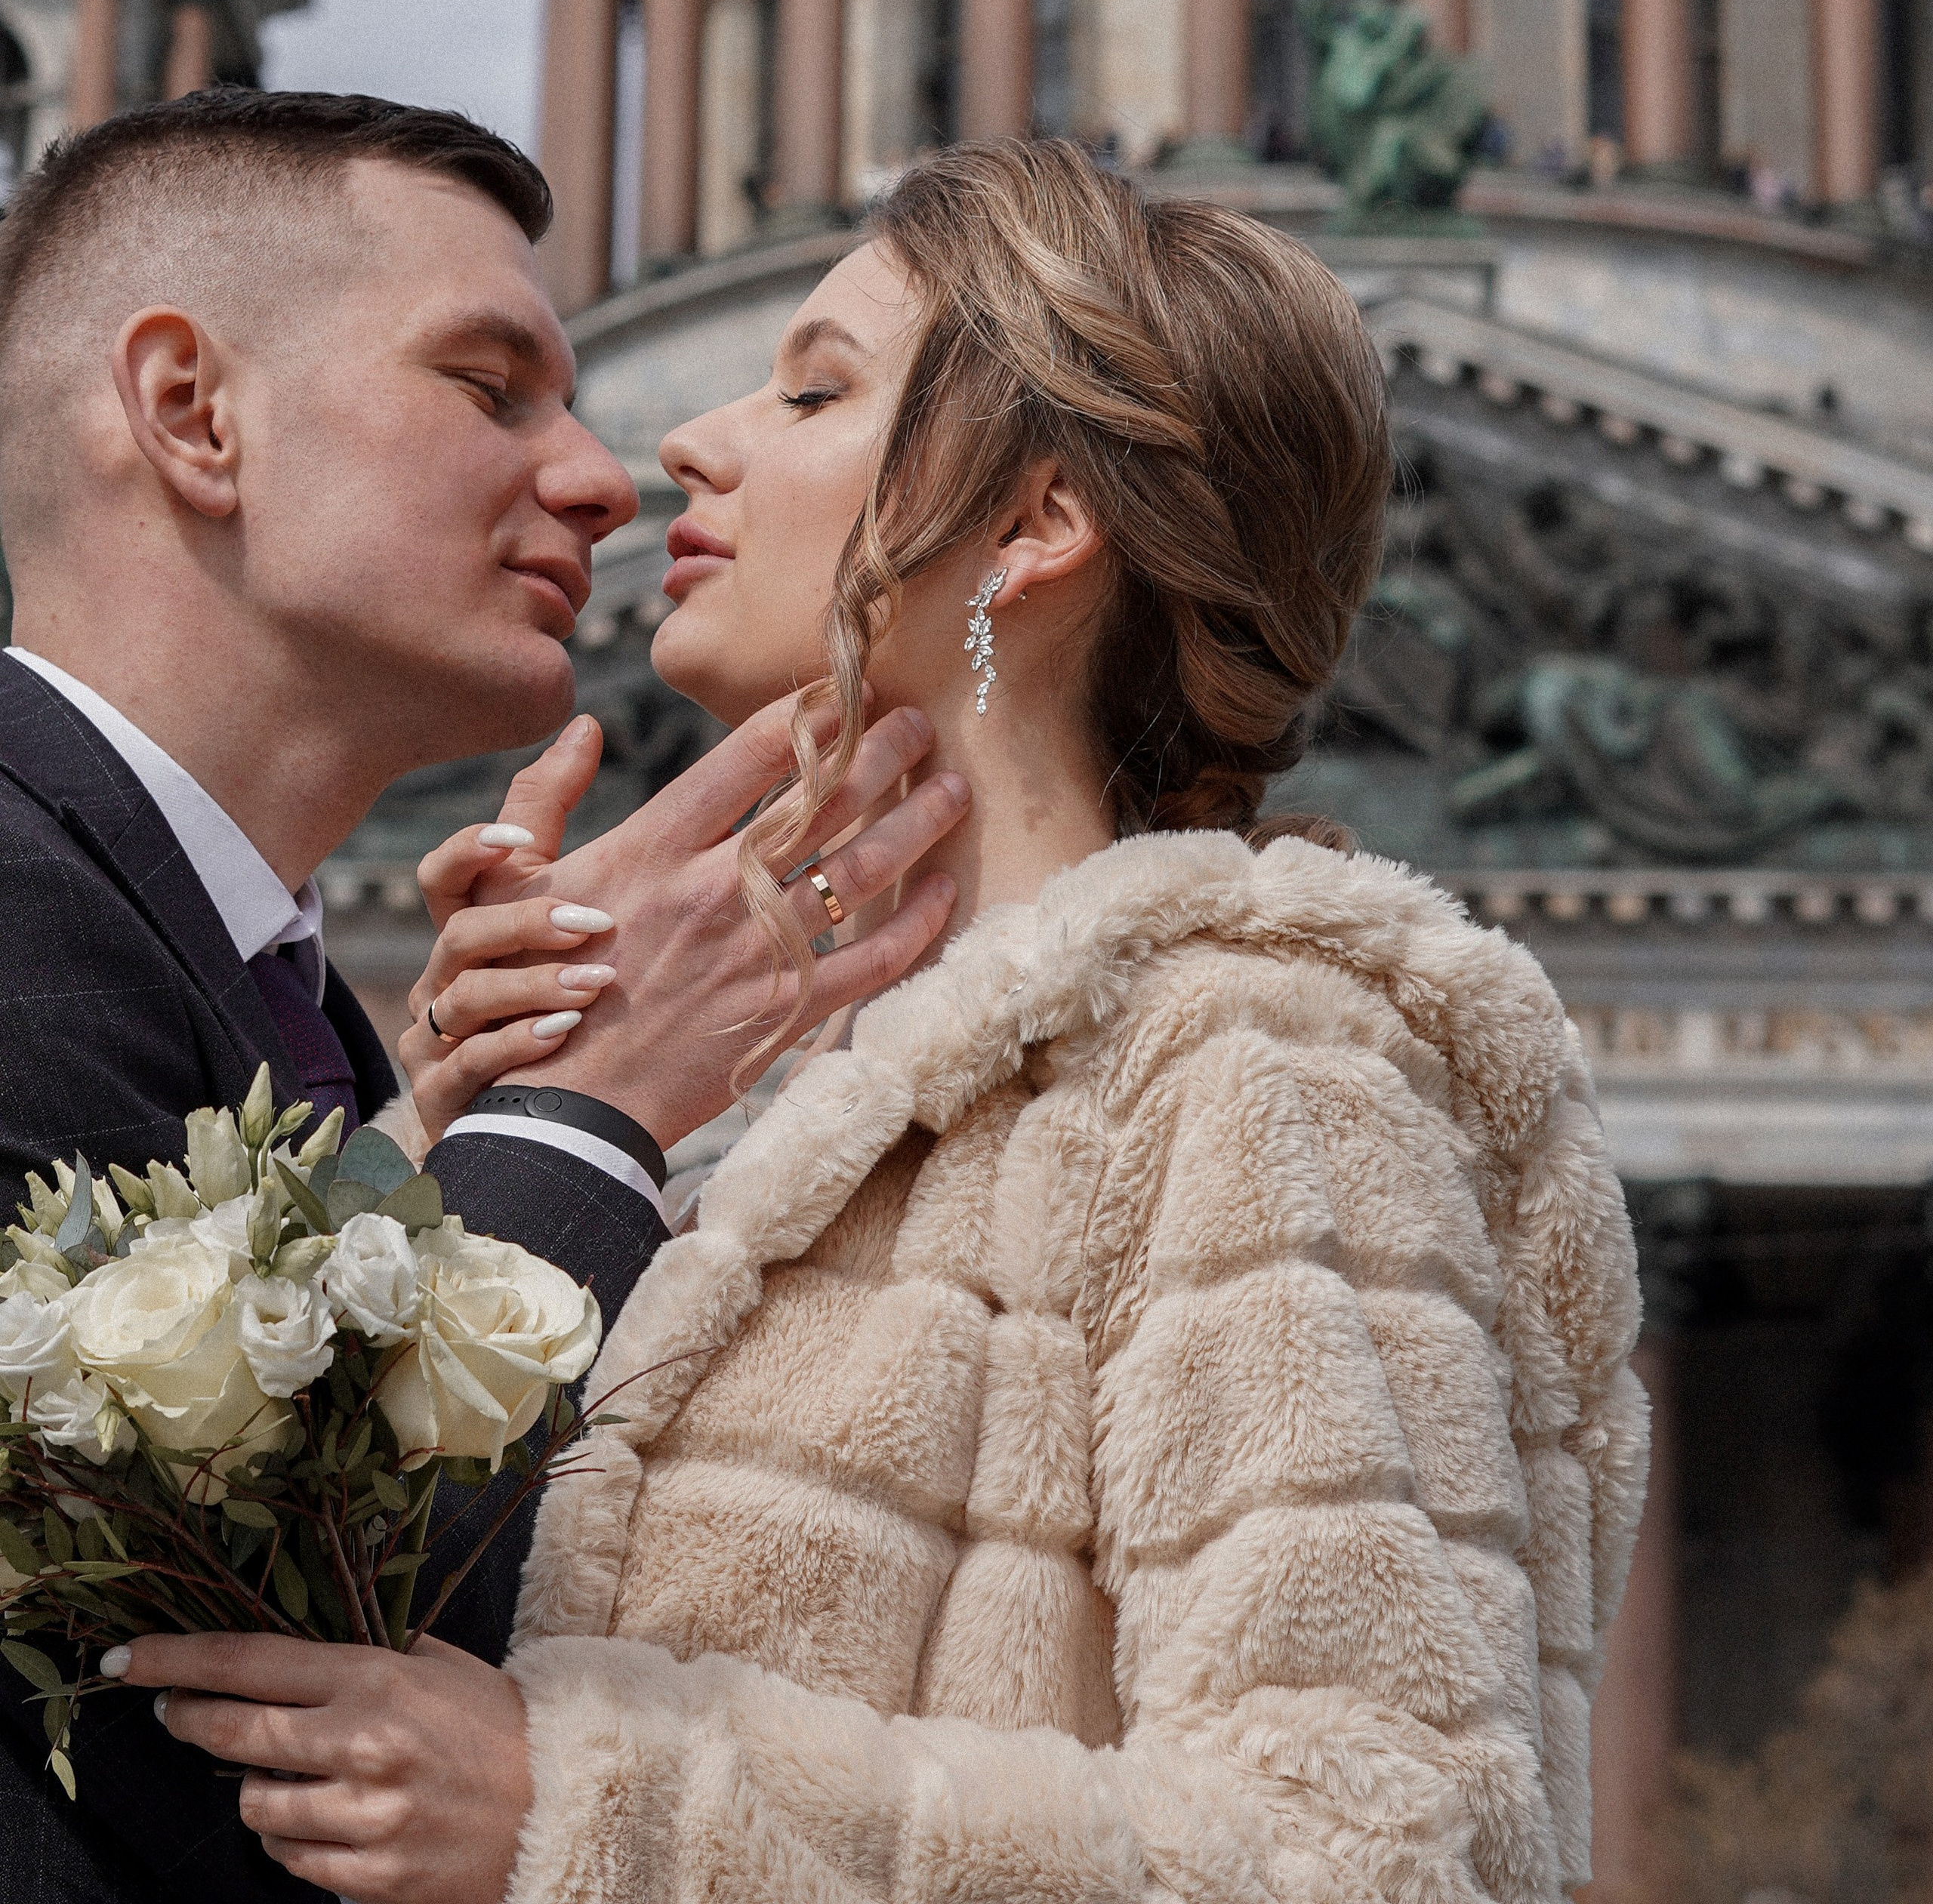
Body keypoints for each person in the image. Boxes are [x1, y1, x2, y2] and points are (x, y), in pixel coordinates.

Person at [125, 140, 1647, 1904]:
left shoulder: (1247, 1056)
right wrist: (476, 1128)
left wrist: (597, 1809)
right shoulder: (749, 1088)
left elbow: (1384, 1848)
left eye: (811, 388)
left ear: (1034, 520)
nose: (683, 444)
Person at [0, 88, 969, 1904]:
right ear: (194, 414)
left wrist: (440, 1123)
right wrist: (585, 1110)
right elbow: (225, 1731)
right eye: (489, 386)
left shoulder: (274, 993)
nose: (604, 477)